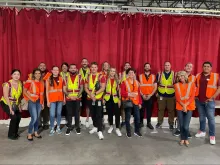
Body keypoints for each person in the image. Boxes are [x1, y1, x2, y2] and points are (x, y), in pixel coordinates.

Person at [195, 61, 220, 145]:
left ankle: (212, 135)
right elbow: (195, 87)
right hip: (199, 100)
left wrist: (212, 97)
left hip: (209, 101)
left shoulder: (215, 76)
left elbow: (219, 88)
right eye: (204, 66)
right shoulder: (198, 76)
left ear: (211, 68)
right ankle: (202, 131)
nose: (206, 68)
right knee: (202, 117)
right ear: (202, 67)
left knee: (211, 119)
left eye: (208, 66)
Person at [85, 62, 106, 140]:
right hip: (90, 98)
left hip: (98, 99)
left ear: (97, 68)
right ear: (90, 68)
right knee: (92, 114)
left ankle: (99, 131)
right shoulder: (88, 76)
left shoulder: (101, 76)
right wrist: (91, 95)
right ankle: (95, 127)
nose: (93, 69)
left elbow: (103, 88)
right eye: (92, 67)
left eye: (95, 67)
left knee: (99, 115)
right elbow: (85, 88)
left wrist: (94, 94)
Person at [174, 71, 196, 147]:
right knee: (182, 125)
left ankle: (185, 138)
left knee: (186, 126)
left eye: (182, 76)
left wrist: (185, 105)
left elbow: (192, 96)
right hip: (180, 106)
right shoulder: (176, 85)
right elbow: (177, 97)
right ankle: (183, 139)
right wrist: (183, 105)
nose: (180, 78)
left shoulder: (192, 84)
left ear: (185, 76)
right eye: (179, 77)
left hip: (189, 106)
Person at [0, 69, 22, 140]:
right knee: (14, 117)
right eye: (15, 74)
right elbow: (6, 97)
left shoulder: (20, 83)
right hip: (6, 103)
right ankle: (11, 135)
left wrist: (19, 105)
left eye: (18, 74)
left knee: (18, 117)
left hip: (15, 103)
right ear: (11, 75)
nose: (16, 76)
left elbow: (19, 96)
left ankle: (15, 132)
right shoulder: (7, 84)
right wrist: (10, 108)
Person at [28, 62, 50, 130]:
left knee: (46, 110)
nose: (42, 67)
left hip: (46, 95)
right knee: (38, 111)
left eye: (44, 66)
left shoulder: (49, 75)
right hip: (36, 97)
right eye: (41, 66)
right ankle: (39, 123)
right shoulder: (32, 75)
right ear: (38, 66)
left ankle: (46, 123)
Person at [23, 68, 44, 141]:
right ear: (33, 74)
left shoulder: (41, 82)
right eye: (36, 73)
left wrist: (42, 103)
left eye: (39, 73)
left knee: (37, 118)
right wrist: (31, 99)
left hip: (39, 101)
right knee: (34, 118)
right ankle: (29, 134)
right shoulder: (30, 81)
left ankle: (35, 132)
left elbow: (42, 94)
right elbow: (24, 91)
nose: (38, 75)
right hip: (32, 101)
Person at [121, 68, 142, 138]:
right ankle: (128, 132)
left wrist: (140, 103)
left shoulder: (137, 82)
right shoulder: (124, 82)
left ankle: (137, 131)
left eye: (132, 72)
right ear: (127, 74)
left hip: (136, 102)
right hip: (128, 102)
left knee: (138, 117)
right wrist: (130, 94)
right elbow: (122, 93)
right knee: (127, 118)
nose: (131, 74)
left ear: (134, 74)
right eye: (129, 73)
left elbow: (138, 93)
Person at [63, 64, 83, 135]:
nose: (73, 69)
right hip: (69, 98)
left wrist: (77, 96)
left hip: (77, 98)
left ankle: (77, 127)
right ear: (69, 69)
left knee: (77, 113)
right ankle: (69, 127)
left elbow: (81, 88)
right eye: (71, 68)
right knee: (69, 113)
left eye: (74, 68)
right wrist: (69, 96)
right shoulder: (65, 77)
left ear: (76, 69)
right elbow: (64, 89)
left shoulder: (80, 77)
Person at [156, 62, 176, 130]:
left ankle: (171, 124)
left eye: (168, 65)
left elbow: (177, 84)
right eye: (165, 65)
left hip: (171, 95)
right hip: (161, 95)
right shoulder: (159, 74)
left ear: (170, 66)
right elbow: (156, 84)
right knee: (160, 110)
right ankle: (159, 122)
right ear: (164, 66)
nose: (167, 66)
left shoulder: (174, 74)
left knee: (171, 110)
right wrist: (156, 92)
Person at [46, 66, 65, 136]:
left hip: (60, 99)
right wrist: (48, 101)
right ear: (52, 71)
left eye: (57, 70)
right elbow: (47, 91)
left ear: (59, 71)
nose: (56, 71)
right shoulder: (48, 79)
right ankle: (52, 128)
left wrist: (64, 99)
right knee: (52, 114)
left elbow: (63, 90)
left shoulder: (61, 78)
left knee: (59, 114)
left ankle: (58, 127)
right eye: (54, 70)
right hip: (52, 99)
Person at [103, 67, 122, 137]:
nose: (112, 72)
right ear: (109, 72)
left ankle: (117, 128)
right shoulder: (105, 79)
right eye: (111, 71)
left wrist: (119, 99)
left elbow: (119, 91)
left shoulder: (117, 81)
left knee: (117, 114)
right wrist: (103, 98)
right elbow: (103, 89)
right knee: (109, 113)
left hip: (115, 98)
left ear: (115, 73)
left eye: (114, 71)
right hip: (108, 98)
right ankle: (111, 125)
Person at [139, 63, 157, 129]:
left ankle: (148, 123)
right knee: (141, 110)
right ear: (144, 68)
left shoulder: (154, 76)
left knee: (149, 110)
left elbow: (155, 87)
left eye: (148, 66)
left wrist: (150, 95)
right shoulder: (140, 76)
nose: (147, 67)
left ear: (150, 68)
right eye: (146, 66)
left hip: (150, 96)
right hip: (142, 96)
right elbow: (138, 87)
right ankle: (141, 122)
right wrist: (142, 95)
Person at [119, 62, 131, 128]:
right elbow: (119, 83)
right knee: (123, 108)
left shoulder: (132, 74)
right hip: (123, 93)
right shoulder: (121, 74)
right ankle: (123, 121)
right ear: (124, 67)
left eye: (128, 65)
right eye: (125, 65)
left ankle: (128, 121)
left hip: (131, 94)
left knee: (129, 108)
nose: (127, 66)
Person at [79, 58, 90, 128]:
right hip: (80, 90)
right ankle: (79, 120)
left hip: (88, 90)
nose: (84, 63)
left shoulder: (91, 70)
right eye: (83, 62)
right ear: (81, 63)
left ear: (88, 63)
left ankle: (87, 119)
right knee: (79, 105)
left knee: (87, 105)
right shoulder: (78, 71)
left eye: (86, 62)